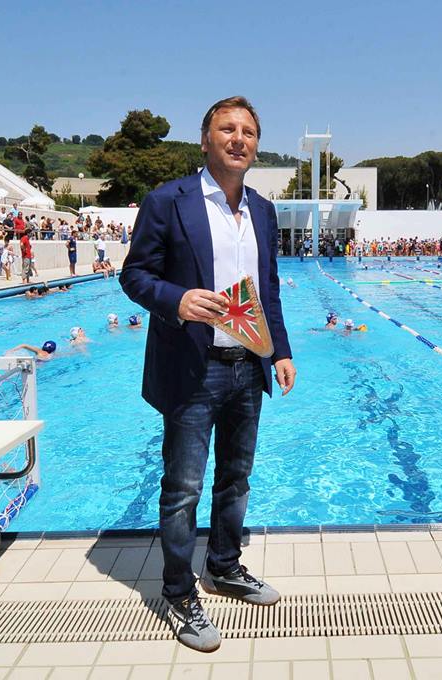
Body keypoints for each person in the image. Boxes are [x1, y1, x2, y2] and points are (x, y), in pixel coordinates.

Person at [120, 96, 295, 653]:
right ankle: (178, 591)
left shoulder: (263, 210)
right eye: (227, 128)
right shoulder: (168, 201)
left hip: (248, 365)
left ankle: (223, 566)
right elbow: (135, 275)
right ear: (205, 139)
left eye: (247, 131)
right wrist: (176, 298)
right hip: (192, 369)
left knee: (236, 479)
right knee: (183, 489)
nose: (238, 138)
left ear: (256, 144)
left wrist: (281, 352)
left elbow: (267, 290)